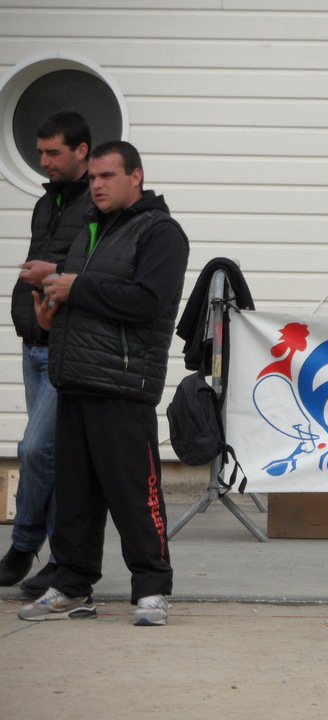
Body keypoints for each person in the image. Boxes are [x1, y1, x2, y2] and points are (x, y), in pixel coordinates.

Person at [18, 140, 189, 625]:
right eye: (92, 178)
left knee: (136, 492)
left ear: (135, 176)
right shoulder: (89, 231)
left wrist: (76, 286)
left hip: (122, 384)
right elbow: (86, 304)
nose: (96, 185)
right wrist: (52, 319)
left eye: (107, 176)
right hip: (73, 378)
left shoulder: (161, 232)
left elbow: (149, 302)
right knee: (75, 497)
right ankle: (73, 587)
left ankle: (152, 590)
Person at [0, 110, 92, 595]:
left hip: (65, 344)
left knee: (35, 449)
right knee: (51, 455)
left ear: (81, 150)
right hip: (33, 341)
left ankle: (23, 544)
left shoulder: (96, 201)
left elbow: (96, 266)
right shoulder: (47, 200)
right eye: (39, 152)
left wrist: (53, 269)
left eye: (53, 152)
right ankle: (59, 560)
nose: (43, 161)